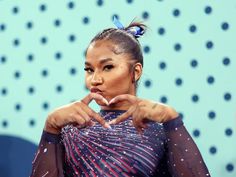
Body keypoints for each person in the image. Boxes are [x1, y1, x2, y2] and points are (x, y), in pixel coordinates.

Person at [30, 17, 211, 177]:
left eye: (108, 67)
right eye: (89, 70)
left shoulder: (160, 132)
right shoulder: (69, 131)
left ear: (136, 71)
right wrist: (51, 128)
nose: (95, 79)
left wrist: (172, 120)